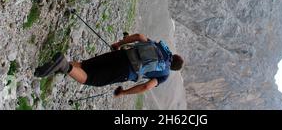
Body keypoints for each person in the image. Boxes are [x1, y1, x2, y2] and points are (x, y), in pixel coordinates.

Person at [34, 33, 184, 97]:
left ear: (173, 55)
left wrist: (118, 43)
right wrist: (124, 92)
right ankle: (63, 66)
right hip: (126, 71)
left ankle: (56, 67)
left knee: (84, 65)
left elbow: (139, 37)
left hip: (122, 54)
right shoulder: (164, 74)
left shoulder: (160, 47)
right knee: (90, 79)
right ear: (172, 67)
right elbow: (146, 86)